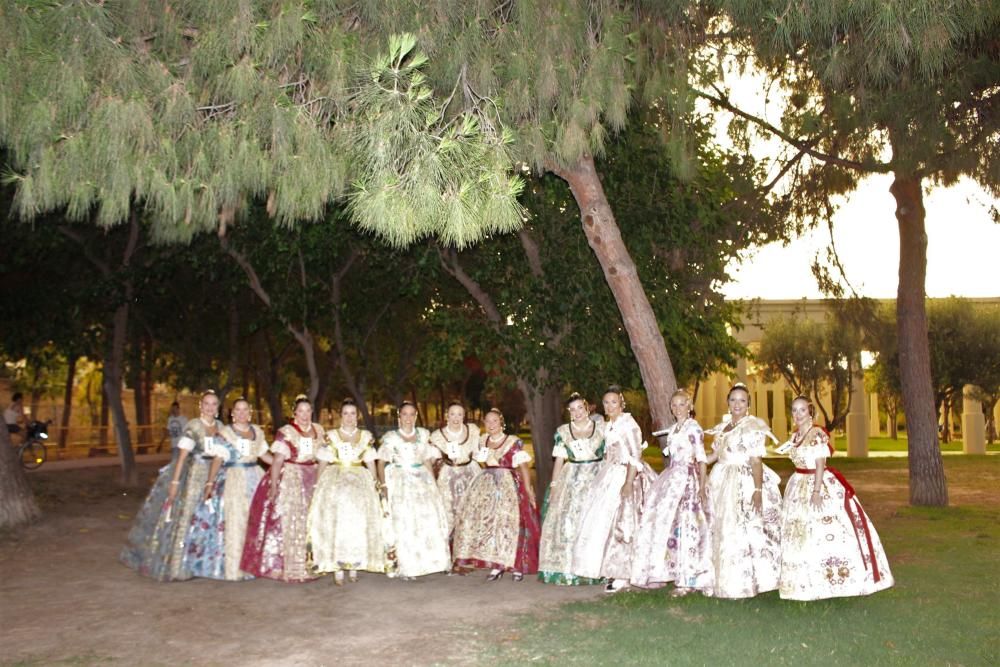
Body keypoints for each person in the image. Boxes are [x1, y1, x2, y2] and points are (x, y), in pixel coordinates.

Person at [777, 395, 894, 600]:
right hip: (798, 484)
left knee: (825, 528)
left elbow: (820, 464)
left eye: (802, 410)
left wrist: (816, 492)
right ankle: (801, 581)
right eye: (794, 410)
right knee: (798, 530)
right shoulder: (794, 436)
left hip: (817, 482)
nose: (797, 414)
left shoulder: (817, 434)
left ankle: (834, 579)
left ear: (810, 412)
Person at [120, 390, 222, 581]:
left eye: (214, 404)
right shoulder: (193, 426)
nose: (210, 407)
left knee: (210, 518)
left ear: (218, 407)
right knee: (188, 517)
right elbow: (182, 457)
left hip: (215, 475)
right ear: (201, 406)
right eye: (206, 403)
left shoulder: (221, 426)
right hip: (194, 476)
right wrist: (174, 482)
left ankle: (203, 563)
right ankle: (180, 565)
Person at [571, 386, 656, 593]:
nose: (609, 406)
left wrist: (628, 483)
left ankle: (623, 574)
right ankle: (610, 568)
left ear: (621, 403)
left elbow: (635, 456)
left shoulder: (628, 424)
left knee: (624, 524)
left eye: (614, 402)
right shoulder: (610, 424)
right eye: (606, 403)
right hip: (611, 473)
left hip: (627, 475)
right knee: (603, 523)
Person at [630, 390, 713, 595]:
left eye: (681, 404)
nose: (677, 408)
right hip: (672, 478)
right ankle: (668, 571)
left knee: (687, 525)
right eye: (673, 405)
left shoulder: (694, 428)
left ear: (689, 405)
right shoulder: (675, 428)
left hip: (687, 479)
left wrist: (702, 486)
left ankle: (688, 578)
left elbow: (701, 458)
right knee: (667, 525)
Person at [704, 383, 782, 599]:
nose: (737, 404)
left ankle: (745, 581)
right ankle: (722, 578)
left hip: (743, 479)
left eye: (742, 400)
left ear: (748, 404)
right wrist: (696, 458)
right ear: (728, 403)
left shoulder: (753, 426)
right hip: (721, 478)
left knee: (742, 528)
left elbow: (756, 460)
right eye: (733, 400)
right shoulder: (724, 426)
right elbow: (716, 456)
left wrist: (757, 489)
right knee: (721, 527)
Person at [182, 397, 269, 581]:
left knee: (255, 520)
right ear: (232, 413)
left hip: (255, 476)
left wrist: (285, 463)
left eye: (245, 409)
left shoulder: (258, 432)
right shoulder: (225, 433)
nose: (242, 413)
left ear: (250, 412)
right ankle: (235, 567)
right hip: (233, 478)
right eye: (238, 409)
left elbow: (265, 455)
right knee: (235, 520)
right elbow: (217, 459)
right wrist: (210, 483)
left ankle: (253, 564)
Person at [241, 395, 324, 582]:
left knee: (313, 519)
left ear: (312, 412)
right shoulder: (287, 432)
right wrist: (273, 484)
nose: (304, 415)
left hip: (313, 475)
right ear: (295, 413)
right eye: (300, 411)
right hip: (292, 477)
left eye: (307, 411)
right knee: (293, 520)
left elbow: (322, 456)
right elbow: (278, 460)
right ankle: (292, 566)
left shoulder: (318, 430)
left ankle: (312, 562)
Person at [452, 408, 540, 581]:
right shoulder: (482, 440)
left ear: (501, 422)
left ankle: (516, 565)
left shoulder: (512, 441)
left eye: (494, 421)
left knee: (510, 524)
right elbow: (482, 462)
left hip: (509, 484)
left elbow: (523, 466)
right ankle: (496, 565)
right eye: (487, 421)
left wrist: (528, 489)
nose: (491, 424)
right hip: (488, 485)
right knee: (491, 526)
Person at [308, 398, 384, 584]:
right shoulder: (332, 436)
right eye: (345, 413)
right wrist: (318, 486)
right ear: (340, 416)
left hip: (359, 479)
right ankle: (337, 566)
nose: (349, 417)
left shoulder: (365, 436)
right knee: (338, 520)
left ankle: (355, 564)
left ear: (356, 415)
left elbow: (369, 461)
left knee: (358, 521)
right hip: (336, 478)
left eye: (352, 413)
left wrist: (375, 483)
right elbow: (323, 462)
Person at [376, 401, 451, 579]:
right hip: (400, 480)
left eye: (412, 414)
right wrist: (384, 485)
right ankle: (407, 565)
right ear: (399, 416)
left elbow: (426, 460)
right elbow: (380, 462)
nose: (408, 418)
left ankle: (429, 562)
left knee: (426, 518)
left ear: (416, 416)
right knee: (405, 521)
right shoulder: (391, 438)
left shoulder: (423, 435)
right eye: (405, 414)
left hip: (421, 479)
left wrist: (433, 483)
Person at [537, 393, 605, 585]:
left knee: (593, 521)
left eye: (580, 408)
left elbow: (608, 454)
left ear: (587, 408)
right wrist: (555, 486)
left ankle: (595, 568)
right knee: (567, 520)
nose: (577, 413)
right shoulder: (563, 432)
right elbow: (559, 460)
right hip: (572, 477)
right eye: (572, 409)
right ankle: (567, 569)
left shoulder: (601, 428)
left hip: (595, 476)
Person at [428, 401, 482, 537]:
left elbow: (476, 453)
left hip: (470, 473)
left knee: (471, 509)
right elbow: (431, 458)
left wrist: (484, 456)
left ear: (464, 416)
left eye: (459, 414)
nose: (456, 417)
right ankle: (449, 546)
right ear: (447, 416)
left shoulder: (472, 430)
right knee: (448, 511)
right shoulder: (438, 436)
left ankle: (469, 544)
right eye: (452, 414)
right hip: (449, 475)